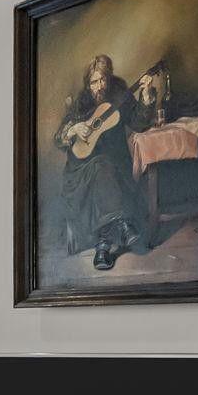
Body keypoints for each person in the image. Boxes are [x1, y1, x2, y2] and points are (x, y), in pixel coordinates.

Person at [54, 54, 149, 270]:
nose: (99, 86)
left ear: (109, 78)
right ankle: (121, 226)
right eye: (94, 81)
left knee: (104, 167)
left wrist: (145, 96)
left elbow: (139, 123)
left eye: (102, 80)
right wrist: (73, 129)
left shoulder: (120, 93)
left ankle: (103, 246)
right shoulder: (82, 102)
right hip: (80, 171)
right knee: (99, 166)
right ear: (88, 83)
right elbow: (58, 139)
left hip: (116, 169)